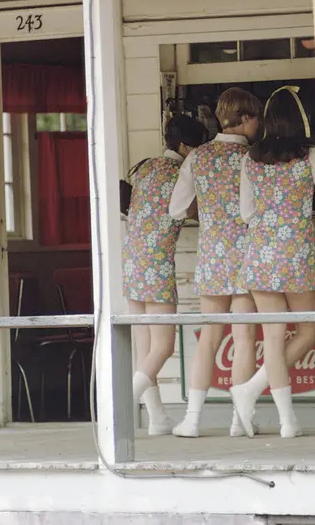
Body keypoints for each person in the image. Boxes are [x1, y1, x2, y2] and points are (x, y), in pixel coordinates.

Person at [233, 86, 315, 438]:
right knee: (310, 330)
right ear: (301, 119)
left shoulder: (250, 157)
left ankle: (285, 419)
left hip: (261, 255)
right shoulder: (311, 154)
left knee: (275, 337)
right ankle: (253, 391)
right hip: (297, 254)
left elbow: (246, 213)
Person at [168, 88, 262, 438]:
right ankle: (240, 420)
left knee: (208, 339)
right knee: (244, 338)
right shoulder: (252, 158)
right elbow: (249, 211)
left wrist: (205, 207)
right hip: (246, 258)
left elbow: (176, 209)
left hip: (211, 257)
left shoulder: (198, 158)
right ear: (247, 118)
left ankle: (192, 419)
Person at [124, 114, 208, 435]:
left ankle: (157, 418)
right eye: (196, 148)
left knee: (144, 349)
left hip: (132, 261)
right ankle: (121, 405)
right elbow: (194, 210)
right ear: (185, 146)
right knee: (163, 347)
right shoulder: (181, 173)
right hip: (157, 262)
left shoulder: (146, 167)